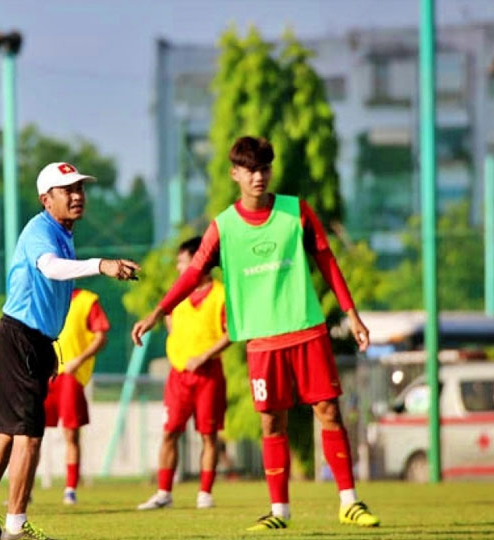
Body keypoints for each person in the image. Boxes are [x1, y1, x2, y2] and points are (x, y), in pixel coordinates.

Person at [132, 136, 380, 531]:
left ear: (270, 170)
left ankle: (349, 501)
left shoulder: (296, 211)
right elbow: (194, 273)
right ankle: (279, 511)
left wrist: (352, 315)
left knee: (329, 411)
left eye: (264, 168)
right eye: (249, 170)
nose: (257, 177)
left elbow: (327, 262)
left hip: (306, 330)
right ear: (235, 174)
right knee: (271, 423)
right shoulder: (223, 227)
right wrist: (158, 311)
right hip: (263, 341)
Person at [0, 162, 140, 540]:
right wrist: (101, 265)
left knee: (8, 432)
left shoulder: (62, 231)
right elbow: (51, 269)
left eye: (79, 188)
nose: (77, 195)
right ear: (47, 199)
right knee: (30, 435)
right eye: (67, 190)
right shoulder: (41, 230)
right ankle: (15, 526)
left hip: (31, 340)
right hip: (20, 338)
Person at [137, 236, 229, 512]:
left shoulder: (222, 294)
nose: (179, 268)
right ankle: (164, 492)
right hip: (178, 377)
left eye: (182, 261)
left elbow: (232, 332)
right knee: (169, 433)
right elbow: (169, 318)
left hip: (209, 374)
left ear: (200, 261)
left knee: (208, 435)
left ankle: (205, 493)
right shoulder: (177, 294)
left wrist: (203, 355)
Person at [43, 288, 109, 505]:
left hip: (70, 375)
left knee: (70, 433)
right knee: (29, 434)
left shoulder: (87, 300)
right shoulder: (46, 296)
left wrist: (78, 360)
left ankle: (70, 489)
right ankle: (26, 489)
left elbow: (101, 335)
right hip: (43, 374)